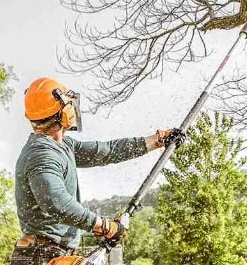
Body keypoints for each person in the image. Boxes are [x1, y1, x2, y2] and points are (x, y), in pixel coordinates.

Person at [9, 77, 172, 265]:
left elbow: (106, 151)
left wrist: (157, 140)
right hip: (41, 255)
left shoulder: (62, 145)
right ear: (63, 111)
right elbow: (56, 202)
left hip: (51, 253)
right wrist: (103, 226)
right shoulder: (42, 154)